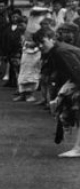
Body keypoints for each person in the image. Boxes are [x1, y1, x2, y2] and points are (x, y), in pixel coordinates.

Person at [33, 26, 80, 157]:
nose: (40, 46)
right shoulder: (57, 50)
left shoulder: (60, 51)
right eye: (38, 43)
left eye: (43, 42)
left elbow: (77, 72)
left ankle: (78, 149)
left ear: (52, 39)